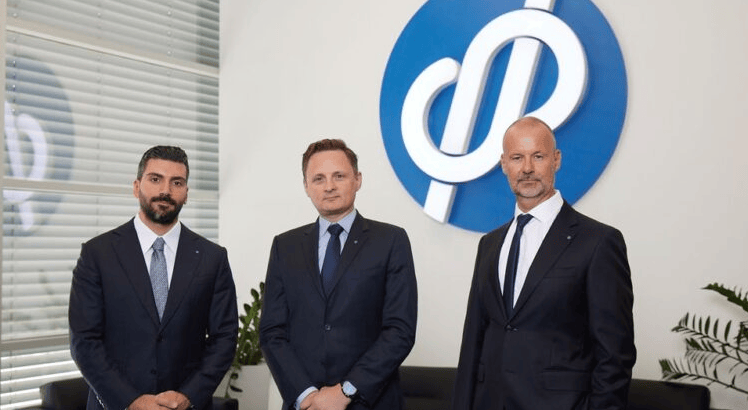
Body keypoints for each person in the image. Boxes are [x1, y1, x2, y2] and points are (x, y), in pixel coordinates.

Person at [452, 117, 636, 410]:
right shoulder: (490, 244)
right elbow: (473, 340)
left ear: (556, 160)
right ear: (504, 164)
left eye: (538, 156)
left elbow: (615, 353)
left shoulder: (598, 242)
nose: (527, 168)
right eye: (517, 158)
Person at [69, 146, 238, 410]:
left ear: (186, 193)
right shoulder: (97, 254)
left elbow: (224, 338)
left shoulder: (212, 257)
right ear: (137, 186)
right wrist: (130, 401)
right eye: (155, 179)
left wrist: (189, 396)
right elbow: (84, 340)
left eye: (177, 182)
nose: (165, 191)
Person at [260, 139, 418, 410]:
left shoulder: (391, 240)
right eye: (318, 178)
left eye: (339, 176)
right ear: (306, 186)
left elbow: (399, 330)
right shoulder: (285, 246)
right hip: (305, 404)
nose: (329, 186)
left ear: (357, 180)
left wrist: (346, 391)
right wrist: (306, 395)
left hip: (370, 402)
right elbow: (272, 331)